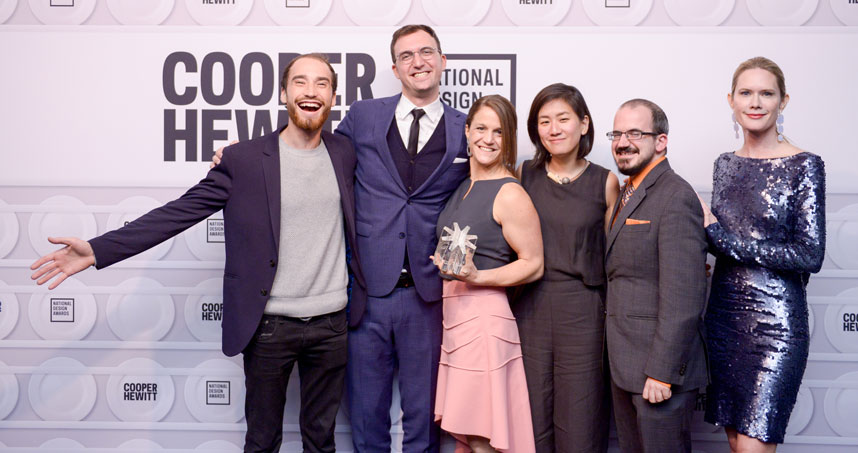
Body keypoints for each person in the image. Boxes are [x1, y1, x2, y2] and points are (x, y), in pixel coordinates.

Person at [29, 54, 365, 453]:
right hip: (270, 325)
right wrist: (99, 250)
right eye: (301, 82)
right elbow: (177, 213)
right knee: (261, 441)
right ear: (283, 93)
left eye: (322, 83)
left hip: (331, 324)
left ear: (333, 95)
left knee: (321, 440)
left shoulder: (345, 153)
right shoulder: (243, 161)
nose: (311, 92)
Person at [335, 24, 469, 453]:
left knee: (425, 417)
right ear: (395, 68)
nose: (418, 62)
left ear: (443, 61)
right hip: (369, 291)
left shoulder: (468, 128)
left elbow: (492, 187)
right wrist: (242, 153)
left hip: (429, 295)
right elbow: (317, 158)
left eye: (426, 52)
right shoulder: (363, 116)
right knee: (365, 415)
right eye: (407, 56)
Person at [699, 57, 825, 452]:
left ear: (783, 101)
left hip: (776, 326)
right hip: (723, 320)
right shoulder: (725, 165)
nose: (756, 102)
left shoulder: (804, 165)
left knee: (754, 446)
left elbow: (810, 255)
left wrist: (719, 237)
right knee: (737, 443)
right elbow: (714, 243)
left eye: (766, 93)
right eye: (746, 92)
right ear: (731, 100)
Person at [431, 94, 542, 453]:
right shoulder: (464, 185)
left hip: (484, 323)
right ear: (467, 131)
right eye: (481, 128)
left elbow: (533, 263)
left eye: (499, 132)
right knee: (469, 432)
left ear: (508, 139)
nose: (488, 139)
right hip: (455, 316)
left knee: (482, 435)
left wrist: (477, 277)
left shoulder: (509, 192)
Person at [512, 83, 619, 453]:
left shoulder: (605, 182)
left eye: (563, 119)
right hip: (530, 310)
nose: (554, 129)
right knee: (530, 418)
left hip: (585, 314)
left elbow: (616, 255)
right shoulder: (522, 174)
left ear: (584, 124)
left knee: (582, 422)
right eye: (544, 121)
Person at [604, 99, 708, 452]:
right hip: (627, 364)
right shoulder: (628, 191)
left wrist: (662, 370)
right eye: (617, 133)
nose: (623, 142)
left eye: (635, 133)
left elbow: (685, 295)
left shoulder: (675, 195)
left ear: (661, 141)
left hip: (658, 372)